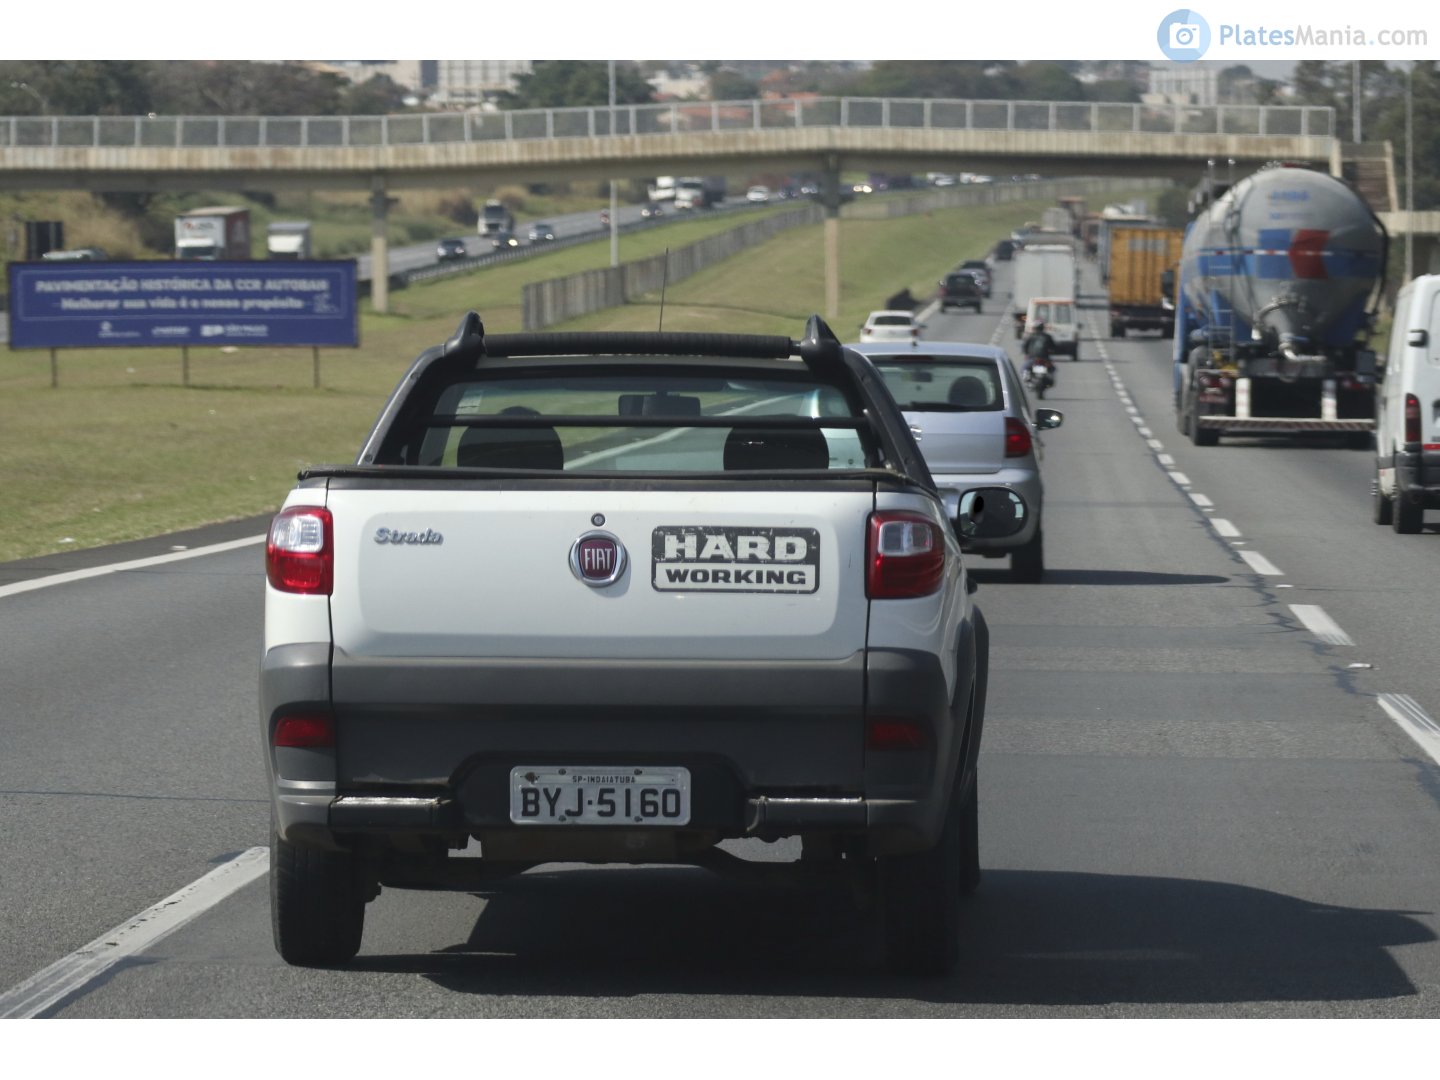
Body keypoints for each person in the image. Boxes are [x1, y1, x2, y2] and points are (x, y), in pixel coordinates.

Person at [1022, 320, 1056, 384]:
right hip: (1044, 358)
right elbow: (1053, 347)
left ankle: (1026, 377)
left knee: (1025, 367)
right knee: (1052, 369)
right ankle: (1027, 377)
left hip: (1033, 358)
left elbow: (1025, 346)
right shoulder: (1047, 336)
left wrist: (1026, 353)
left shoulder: (1030, 336)